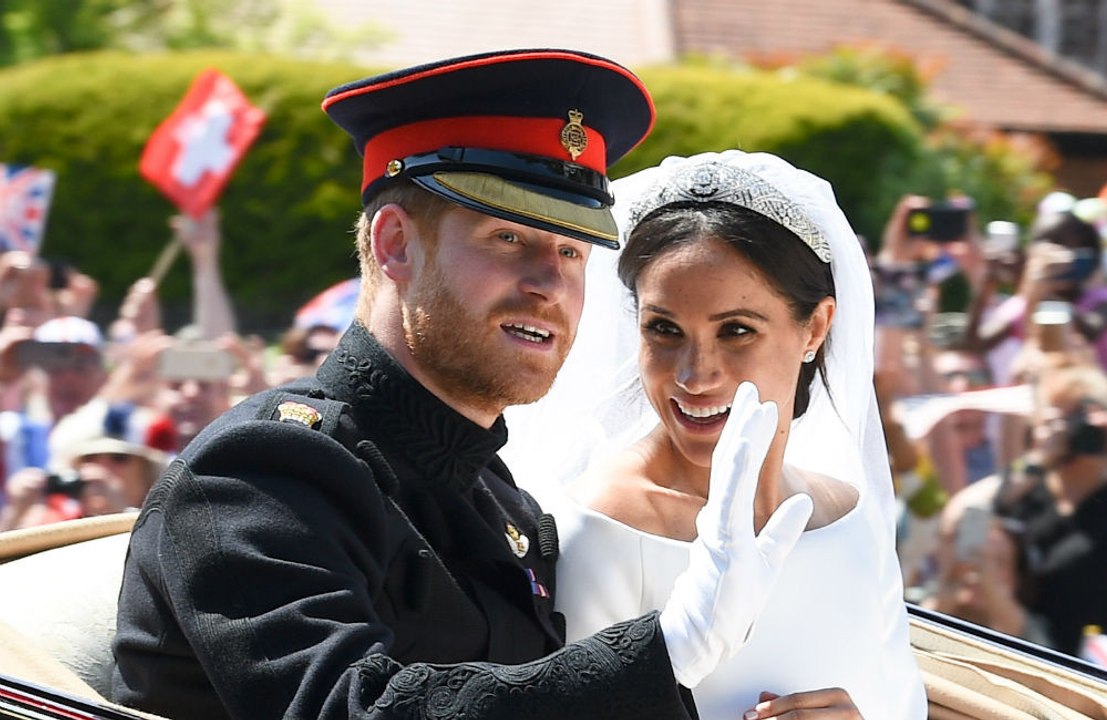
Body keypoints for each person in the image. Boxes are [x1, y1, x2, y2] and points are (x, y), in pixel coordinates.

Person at [112, 50, 804, 720]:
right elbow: (351, 711)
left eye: (571, 250)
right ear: (395, 245)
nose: (549, 284)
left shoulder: (497, 497)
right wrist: (672, 647)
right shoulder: (262, 474)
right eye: (508, 238)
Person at [505, 150, 927, 719]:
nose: (694, 374)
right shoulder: (604, 527)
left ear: (816, 328)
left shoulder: (847, 514)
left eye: (735, 330)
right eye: (664, 329)